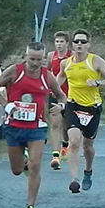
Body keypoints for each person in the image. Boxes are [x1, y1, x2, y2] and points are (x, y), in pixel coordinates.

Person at [0, 42, 66, 208]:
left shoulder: (47, 76)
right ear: (25, 56)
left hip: (36, 128)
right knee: (16, 170)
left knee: (35, 166)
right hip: (14, 126)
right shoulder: (14, 71)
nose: (35, 63)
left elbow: (62, 96)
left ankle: (30, 207)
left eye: (39, 60)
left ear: (44, 59)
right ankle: (23, 161)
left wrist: (60, 106)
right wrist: (6, 105)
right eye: (32, 59)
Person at [56, 29, 105, 193]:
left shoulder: (95, 61)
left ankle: (88, 171)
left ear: (89, 45)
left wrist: (97, 83)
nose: (79, 45)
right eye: (76, 41)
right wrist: (56, 92)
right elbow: (60, 77)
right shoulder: (66, 63)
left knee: (88, 146)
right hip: (73, 106)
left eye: (83, 42)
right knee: (74, 141)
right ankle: (74, 179)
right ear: (72, 44)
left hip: (92, 108)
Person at [46, 31, 72, 171]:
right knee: (55, 124)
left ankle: (65, 146)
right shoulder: (51, 56)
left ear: (67, 43)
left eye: (62, 42)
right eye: (57, 42)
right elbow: (48, 73)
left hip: (70, 95)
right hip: (55, 94)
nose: (59, 44)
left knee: (67, 127)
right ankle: (55, 156)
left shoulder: (72, 57)